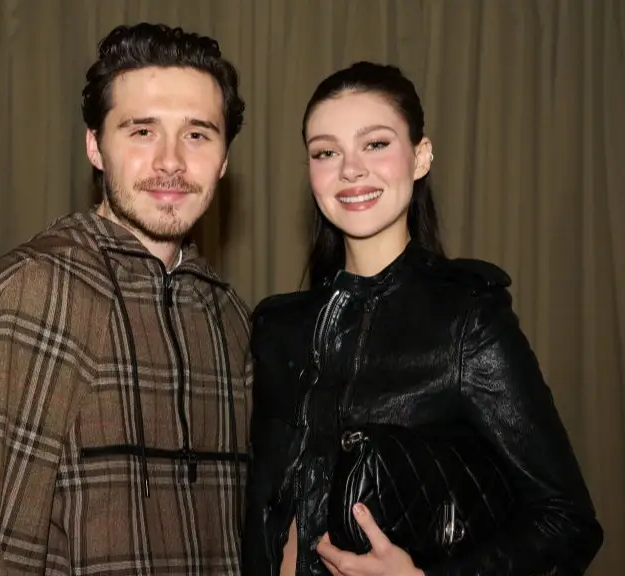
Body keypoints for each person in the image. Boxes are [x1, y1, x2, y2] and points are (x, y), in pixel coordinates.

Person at [242, 62, 603, 575]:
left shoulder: (467, 317)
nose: (350, 170)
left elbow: (567, 521)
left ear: (421, 156)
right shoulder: (276, 328)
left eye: (376, 144)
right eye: (326, 152)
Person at [0, 23, 252, 575]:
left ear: (223, 159)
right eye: (141, 131)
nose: (170, 161)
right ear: (95, 146)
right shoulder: (27, 297)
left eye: (197, 134)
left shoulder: (230, 319)